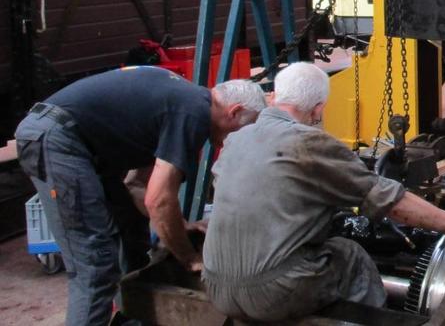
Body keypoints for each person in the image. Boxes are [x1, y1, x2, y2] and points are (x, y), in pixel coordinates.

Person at [202, 61, 445, 322]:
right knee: (350, 254)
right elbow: (392, 203)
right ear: (317, 109)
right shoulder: (309, 142)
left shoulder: (235, 140)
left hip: (216, 286)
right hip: (273, 292)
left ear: (274, 97)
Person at [14, 66, 267, 326]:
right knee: (95, 265)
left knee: (132, 229)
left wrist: (179, 226)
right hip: (58, 140)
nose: (242, 139)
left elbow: (137, 186)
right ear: (234, 112)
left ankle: (131, 315)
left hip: (75, 142)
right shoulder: (192, 114)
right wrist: (189, 258)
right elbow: (158, 200)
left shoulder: (184, 101)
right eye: (246, 129)